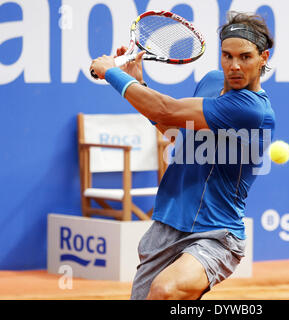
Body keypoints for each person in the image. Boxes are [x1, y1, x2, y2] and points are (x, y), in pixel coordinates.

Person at [90, 11, 275, 300]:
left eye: (246, 57)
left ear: (263, 57)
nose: (234, 66)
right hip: (168, 222)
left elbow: (166, 109)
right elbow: (176, 131)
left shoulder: (252, 109)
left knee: (165, 290)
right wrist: (141, 86)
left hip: (216, 234)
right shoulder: (212, 81)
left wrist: (110, 71)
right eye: (227, 56)